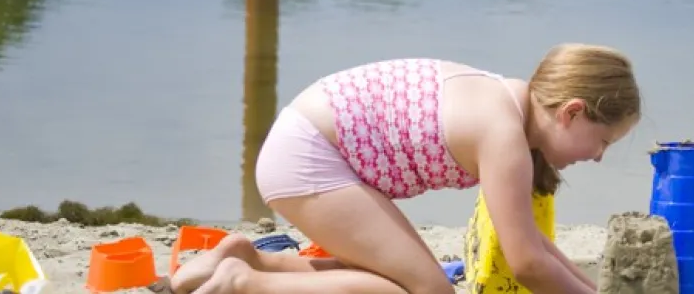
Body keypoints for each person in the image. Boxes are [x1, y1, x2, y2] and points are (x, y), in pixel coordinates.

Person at [171, 44, 641, 294]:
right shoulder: (504, 138)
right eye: (602, 142)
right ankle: (244, 286)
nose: (598, 156)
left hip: (307, 141)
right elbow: (527, 264)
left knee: (399, 280)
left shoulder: (511, 102)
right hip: (310, 157)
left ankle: (250, 259)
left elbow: (532, 244)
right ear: (573, 111)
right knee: (428, 291)